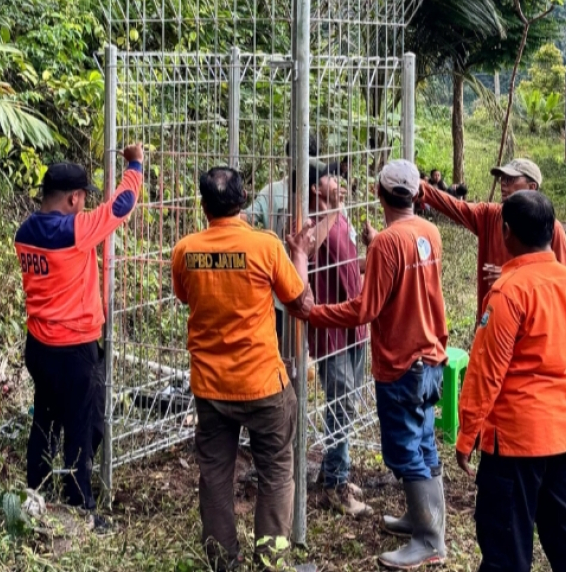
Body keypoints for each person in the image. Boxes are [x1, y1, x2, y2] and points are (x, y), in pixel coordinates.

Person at [290, 159, 449, 569]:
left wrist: (314, 313)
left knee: (405, 451)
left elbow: (365, 308)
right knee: (425, 441)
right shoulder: (428, 232)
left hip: (401, 362)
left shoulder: (385, 243)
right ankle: (422, 520)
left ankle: (429, 541)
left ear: (379, 195)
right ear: (415, 195)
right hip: (430, 356)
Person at [171, 167, 317, 572]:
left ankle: (223, 562)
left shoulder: (186, 249)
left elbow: (184, 296)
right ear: (243, 200)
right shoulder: (265, 247)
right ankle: (271, 561)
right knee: (275, 471)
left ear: (203, 205)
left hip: (210, 388)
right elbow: (301, 304)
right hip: (263, 385)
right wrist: (300, 255)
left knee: (215, 475)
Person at [456, 191, 566, 572]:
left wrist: (466, 434)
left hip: (516, 444)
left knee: (506, 548)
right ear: (552, 232)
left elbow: (486, 372)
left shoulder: (508, 291)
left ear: (506, 233)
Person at [15, 145, 144, 531]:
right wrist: (134, 164)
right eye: (83, 197)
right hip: (73, 350)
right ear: (73, 198)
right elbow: (122, 205)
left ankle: (34, 491)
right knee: (82, 428)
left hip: (39, 346)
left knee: (44, 421)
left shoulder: (25, 232)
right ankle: (79, 506)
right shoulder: (74, 232)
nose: (85, 203)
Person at [420, 158, 566, 320]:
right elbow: (454, 206)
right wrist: (422, 189)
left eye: (511, 179)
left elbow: (563, 285)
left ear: (532, 187)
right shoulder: (491, 215)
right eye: (502, 179)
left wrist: (514, 280)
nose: (503, 184)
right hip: (489, 319)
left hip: (529, 326)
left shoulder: (552, 229)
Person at [304, 166, 371, 517]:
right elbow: (308, 251)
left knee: (347, 404)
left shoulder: (341, 218)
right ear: (316, 188)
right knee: (340, 405)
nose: (339, 184)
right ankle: (335, 483)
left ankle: (333, 469)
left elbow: (348, 265)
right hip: (329, 332)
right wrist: (331, 212)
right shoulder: (308, 222)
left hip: (355, 327)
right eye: (332, 179)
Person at [248, 137, 320, 239]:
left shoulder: (325, 191)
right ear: (288, 160)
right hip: (278, 253)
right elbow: (245, 217)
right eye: (298, 162)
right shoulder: (272, 192)